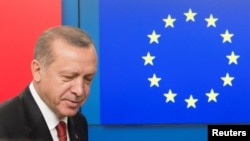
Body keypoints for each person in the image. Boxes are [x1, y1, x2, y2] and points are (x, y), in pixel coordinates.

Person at [0, 26, 98, 141]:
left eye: (88, 79)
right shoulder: (3, 125)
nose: (79, 91)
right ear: (37, 70)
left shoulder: (79, 122)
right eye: (68, 77)